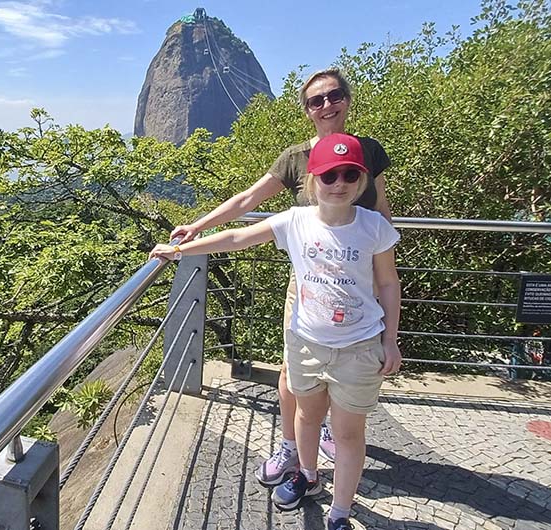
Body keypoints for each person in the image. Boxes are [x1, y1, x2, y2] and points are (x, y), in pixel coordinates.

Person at [152, 133, 402, 530]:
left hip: (359, 347)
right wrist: (181, 249)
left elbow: (388, 283)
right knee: (305, 416)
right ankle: (307, 474)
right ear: (311, 180)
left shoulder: (374, 227)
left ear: (362, 182)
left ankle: (340, 512)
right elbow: (237, 237)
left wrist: (390, 340)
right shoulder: (294, 221)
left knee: (349, 434)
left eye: (349, 175)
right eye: (329, 175)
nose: (339, 183)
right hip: (306, 343)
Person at [168, 68, 393, 485]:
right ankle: (291, 445)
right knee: (293, 371)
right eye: (316, 100)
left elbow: (381, 210)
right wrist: (197, 227)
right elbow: (248, 200)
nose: (327, 105)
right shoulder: (295, 159)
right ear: (307, 110)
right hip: (307, 285)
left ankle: (326, 433)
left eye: (334, 95)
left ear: (347, 99)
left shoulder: (368, 151)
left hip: (359, 279)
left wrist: (381, 266)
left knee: (342, 371)